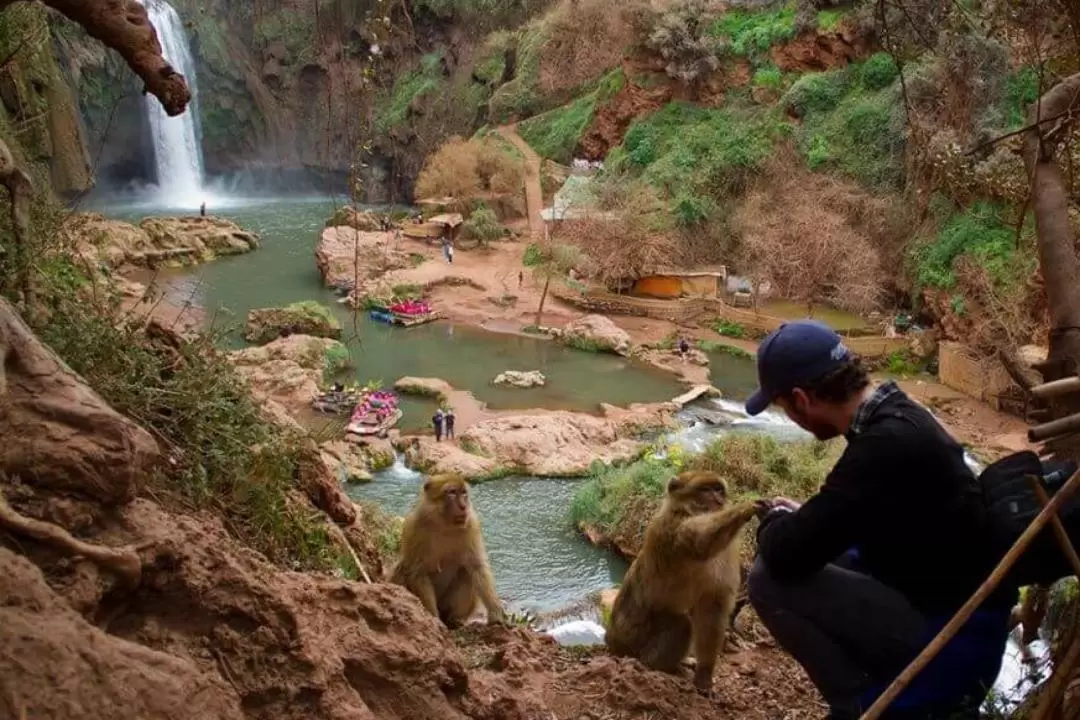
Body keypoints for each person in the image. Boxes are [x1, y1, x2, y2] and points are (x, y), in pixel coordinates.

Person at [743, 320, 1014, 719]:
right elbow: (858, 512)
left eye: (784, 409)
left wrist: (772, 523)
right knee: (824, 549)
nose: (792, 419)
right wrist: (804, 518)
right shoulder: (900, 412)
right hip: (957, 608)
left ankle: (857, 705)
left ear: (801, 400)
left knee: (767, 580)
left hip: (950, 640)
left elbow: (786, 554)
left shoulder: (881, 447)